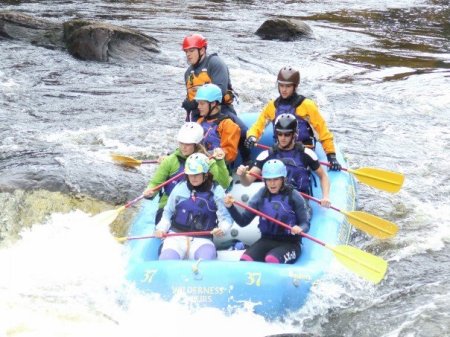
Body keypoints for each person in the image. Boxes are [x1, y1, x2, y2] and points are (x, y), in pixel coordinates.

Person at [244, 65, 342, 171]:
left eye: (288, 86)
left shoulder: (307, 105)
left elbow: (323, 131)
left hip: (303, 151)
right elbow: (259, 125)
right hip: (281, 150)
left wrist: (331, 156)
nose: (284, 90)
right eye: (281, 86)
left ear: (295, 87)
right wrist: (252, 136)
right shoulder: (272, 106)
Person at [181, 33, 251, 163]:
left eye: (191, 51)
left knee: (243, 131)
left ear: (202, 50)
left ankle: (246, 161)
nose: (188, 55)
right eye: (186, 52)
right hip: (199, 113)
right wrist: (188, 104)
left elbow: (220, 91)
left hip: (220, 109)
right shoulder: (188, 73)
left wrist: (195, 104)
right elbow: (190, 96)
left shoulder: (214, 63)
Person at [224, 160, 310, 264]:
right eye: (268, 180)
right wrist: (230, 207)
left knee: (271, 259)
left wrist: (300, 228)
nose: (272, 183)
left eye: (276, 179)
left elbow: (305, 223)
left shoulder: (294, 196)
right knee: (245, 260)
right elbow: (243, 222)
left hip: (290, 243)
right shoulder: (260, 195)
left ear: (283, 179)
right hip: (266, 240)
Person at [237, 113, 331, 208]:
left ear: (294, 134)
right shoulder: (266, 155)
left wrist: (325, 197)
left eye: (287, 134)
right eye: (280, 134)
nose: (283, 138)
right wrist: (242, 175)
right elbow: (247, 182)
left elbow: (323, 176)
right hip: (274, 202)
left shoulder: (307, 154)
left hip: (299, 203)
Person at [143, 122, 230, 224]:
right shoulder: (170, 160)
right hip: (170, 206)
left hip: (200, 206)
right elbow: (155, 183)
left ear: (196, 144)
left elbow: (224, 184)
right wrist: (149, 192)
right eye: (181, 143)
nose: (183, 147)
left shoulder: (207, 161)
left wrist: (220, 161)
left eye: (187, 144)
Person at [154, 153, 233, 260]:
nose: (193, 178)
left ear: (205, 174)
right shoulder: (180, 188)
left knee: (206, 259)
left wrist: (222, 229)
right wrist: (162, 228)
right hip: (176, 237)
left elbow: (226, 218)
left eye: (196, 174)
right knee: (167, 259)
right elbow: (167, 212)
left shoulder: (216, 191)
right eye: (190, 175)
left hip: (202, 239)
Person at [195, 83, 241, 164]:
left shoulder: (228, 125)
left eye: (202, 103)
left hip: (218, 167)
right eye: (198, 103)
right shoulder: (200, 121)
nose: (198, 106)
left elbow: (230, 154)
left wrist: (208, 155)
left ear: (213, 103)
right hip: (199, 163)